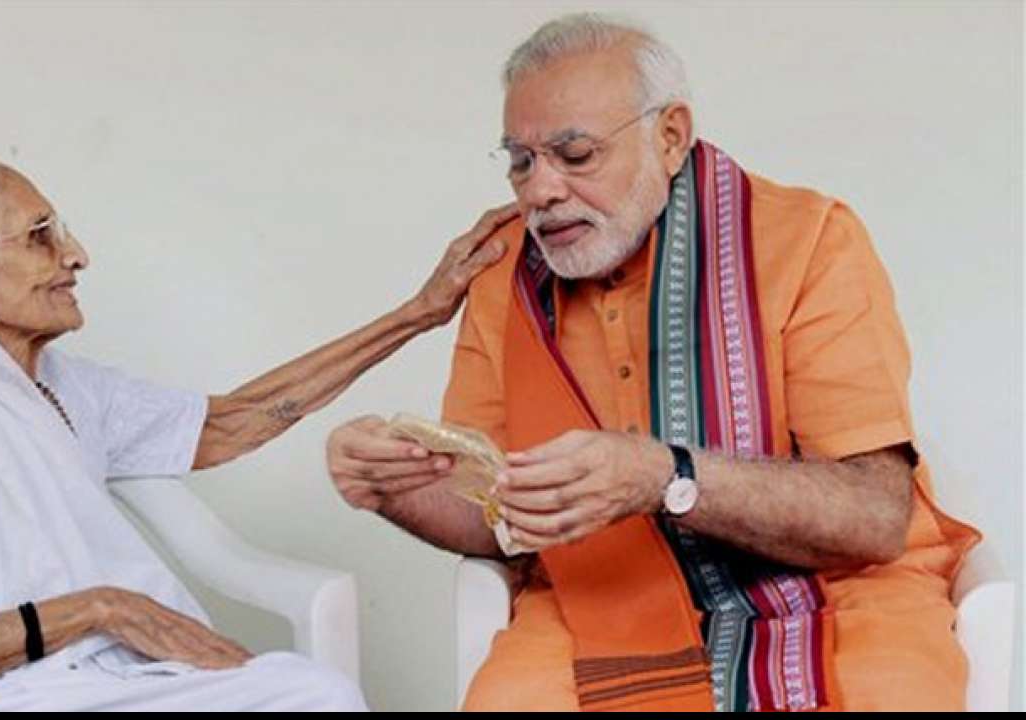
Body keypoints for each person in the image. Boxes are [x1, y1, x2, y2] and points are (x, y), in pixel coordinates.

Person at [326, 13, 979, 711]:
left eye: (575, 155)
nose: (540, 190)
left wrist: (666, 477)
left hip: (839, 598)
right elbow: (502, 517)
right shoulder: (503, 276)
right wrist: (391, 487)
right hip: (596, 600)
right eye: (521, 160)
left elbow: (875, 517)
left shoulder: (810, 241)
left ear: (669, 136)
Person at [0, 154, 515, 710]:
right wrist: (96, 609)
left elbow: (233, 422)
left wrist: (418, 313)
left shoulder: (59, 387)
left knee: (306, 694)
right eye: (41, 237)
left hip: (89, 684)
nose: (76, 255)